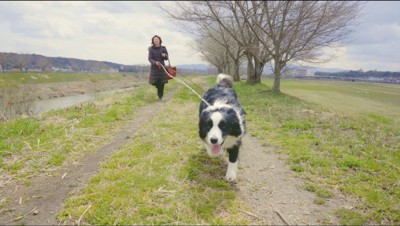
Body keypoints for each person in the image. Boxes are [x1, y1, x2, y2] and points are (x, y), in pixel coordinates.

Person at [148, 35, 169, 101]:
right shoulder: (151, 49)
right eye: (154, 40)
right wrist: (155, 62)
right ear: (153, 41)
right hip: (154, 69)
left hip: (162, 68)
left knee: (162, 83)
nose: (156, 41)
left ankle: (160, 97)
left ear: (159, 40)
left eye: (157, 39)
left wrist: (164, 55)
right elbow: (150, 58)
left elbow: (167, 58)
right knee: (154, 82)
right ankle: (158, 89)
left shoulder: (163, 48)